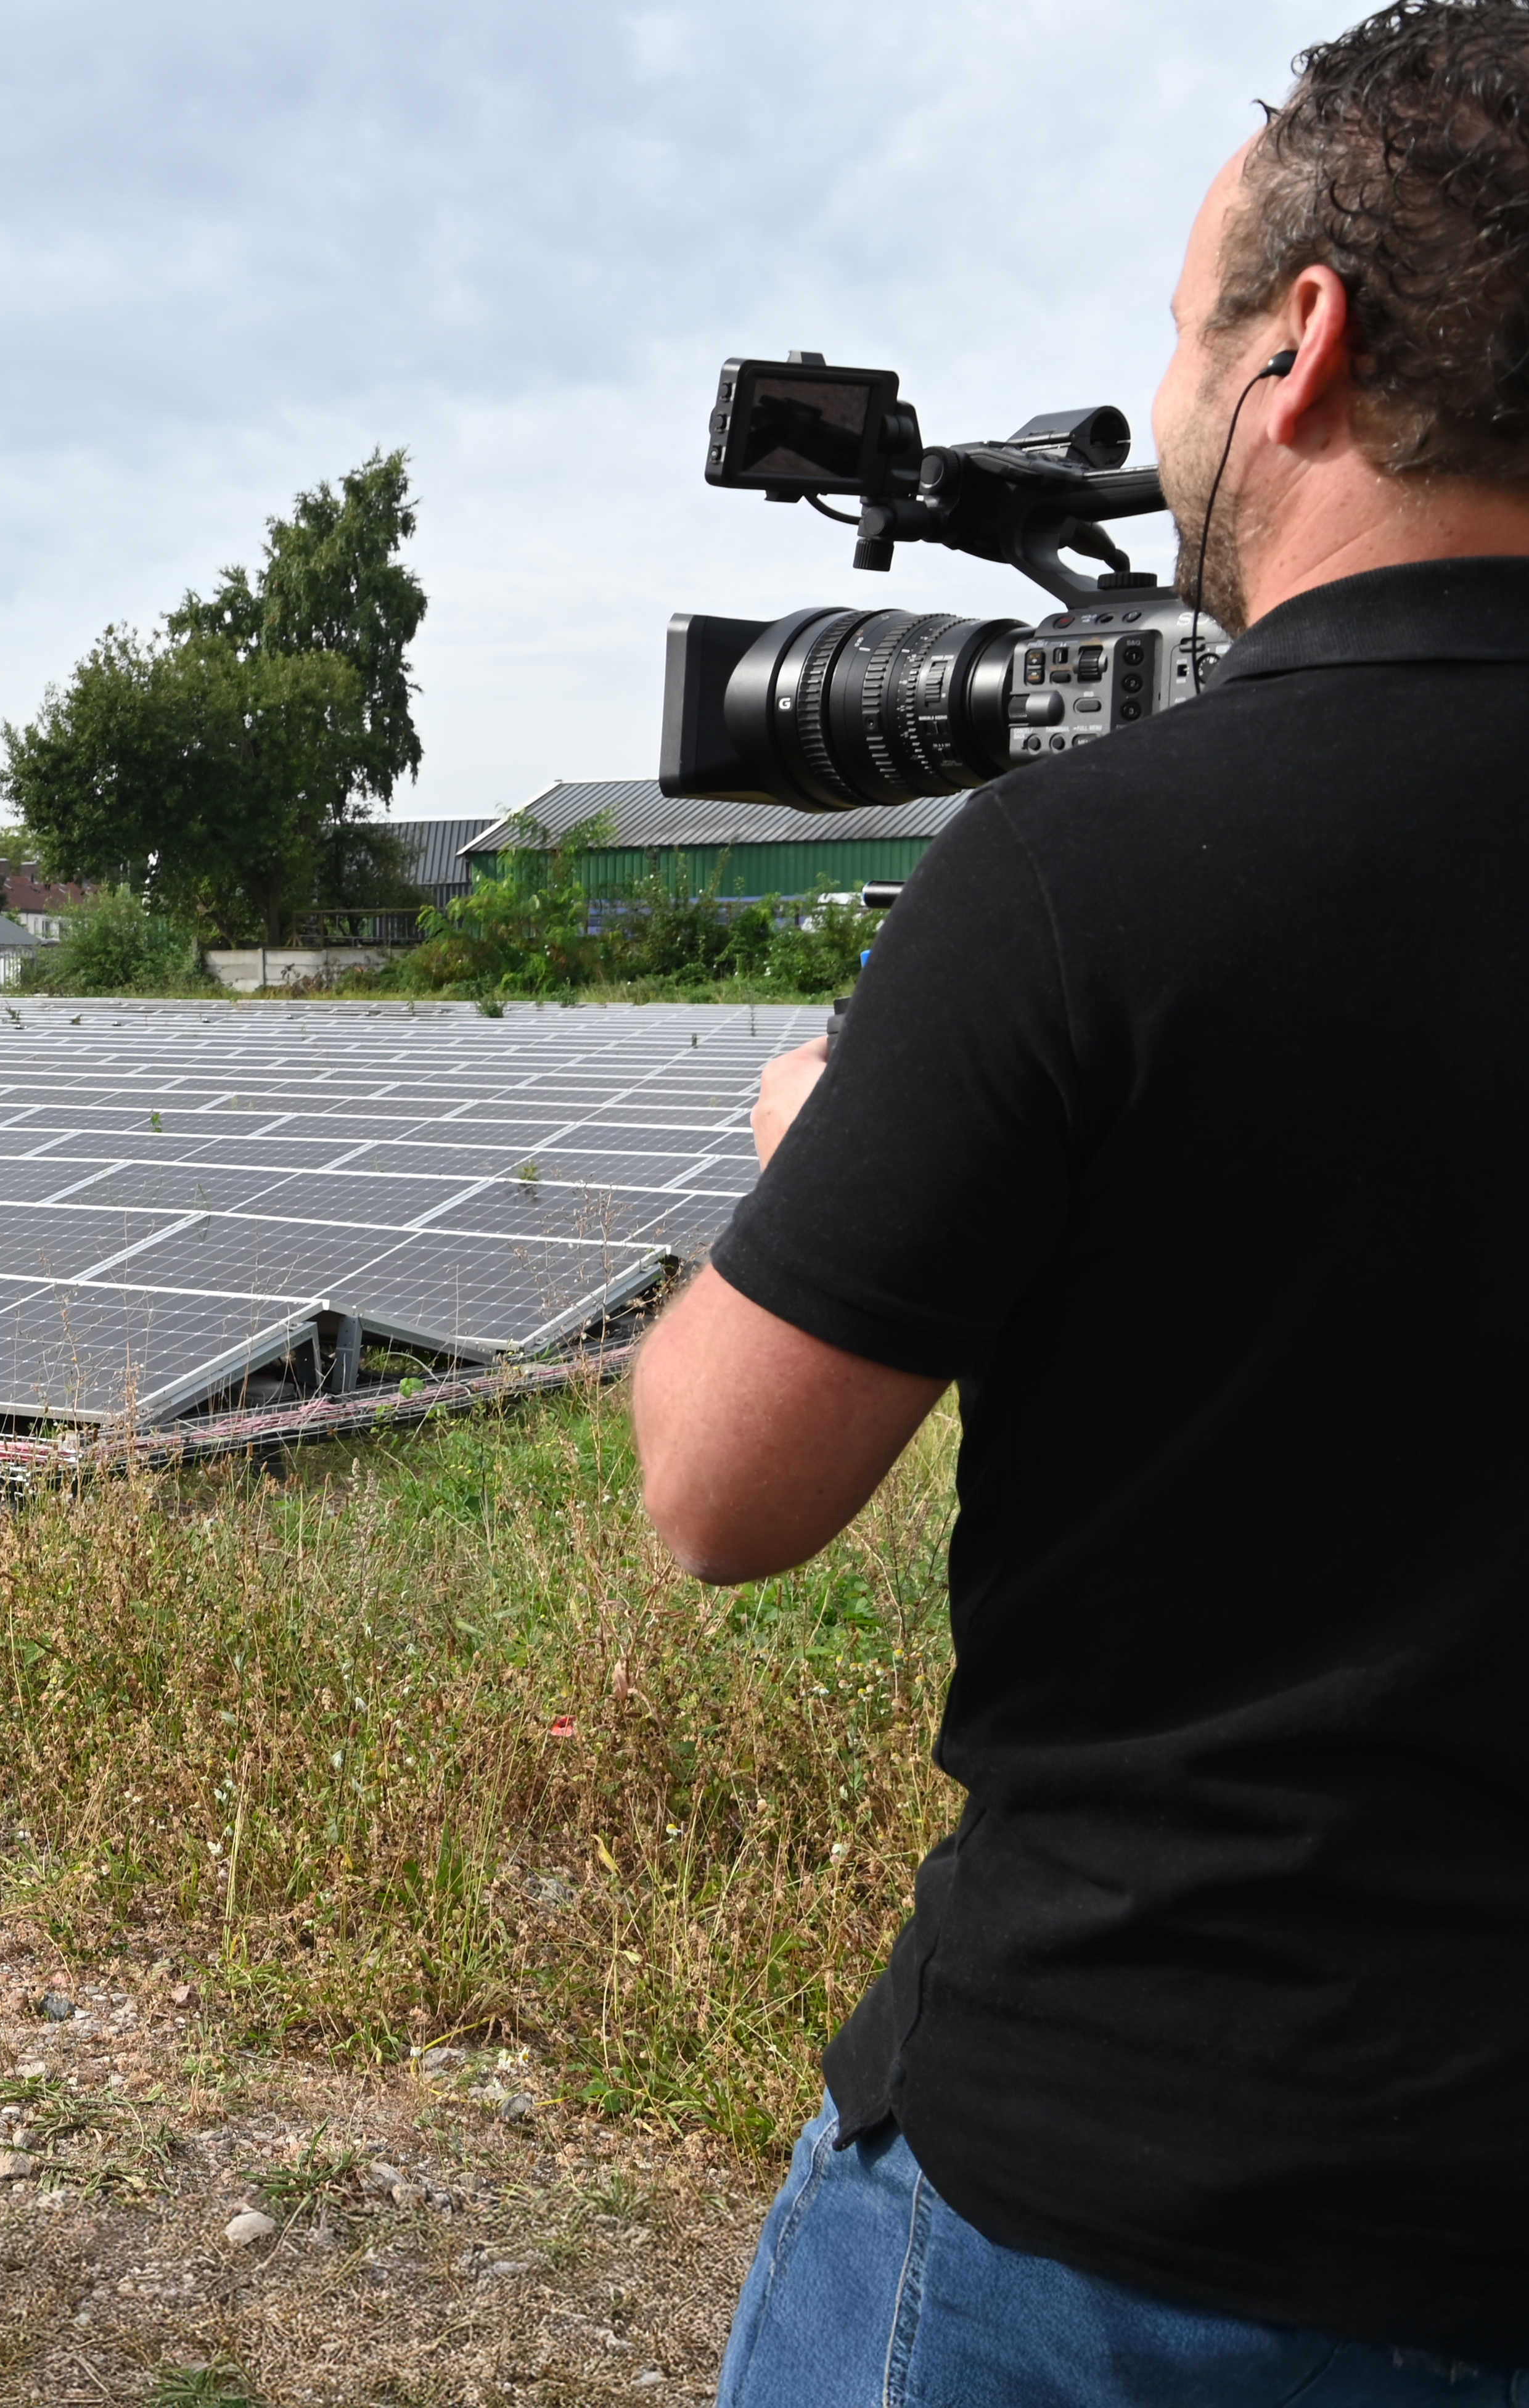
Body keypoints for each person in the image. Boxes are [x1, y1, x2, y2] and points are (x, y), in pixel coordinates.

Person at [636, 5, 1529, 2393]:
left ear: (1301, 348)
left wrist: (826, 1164)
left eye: (1182, 329)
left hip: (1145, 2195)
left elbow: (714, 1492)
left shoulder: (1089, 869)